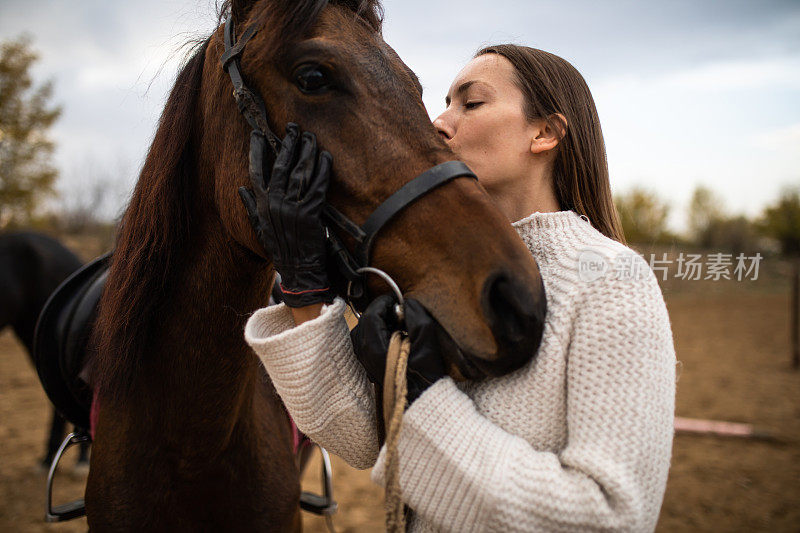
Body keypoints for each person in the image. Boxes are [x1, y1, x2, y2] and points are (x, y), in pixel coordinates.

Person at [241, 45, 676, 532]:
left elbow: (611, 518)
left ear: (544, 132)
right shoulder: (438, 270)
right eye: (445, 102)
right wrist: (304, 290)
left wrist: (425, 404)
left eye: (470, 104)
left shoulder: (613, 280)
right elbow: (360, 438)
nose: (439, 123)